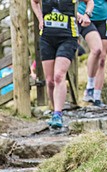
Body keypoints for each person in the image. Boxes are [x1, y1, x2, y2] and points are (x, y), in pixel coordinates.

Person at [31, 0, 93, 129]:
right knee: (49, 81)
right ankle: (55, 111)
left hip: (67, 37)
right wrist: (40, 18)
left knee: (59, 75)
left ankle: (58, 113)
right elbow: (34, 2)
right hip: (47, 37)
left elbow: (90, 2)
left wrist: (87, 15)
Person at [78, 0, 107, 106]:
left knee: (102, 59)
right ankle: (90, 87)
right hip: (85, 16)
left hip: (104, 18)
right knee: (96, 49)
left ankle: (97, 97)